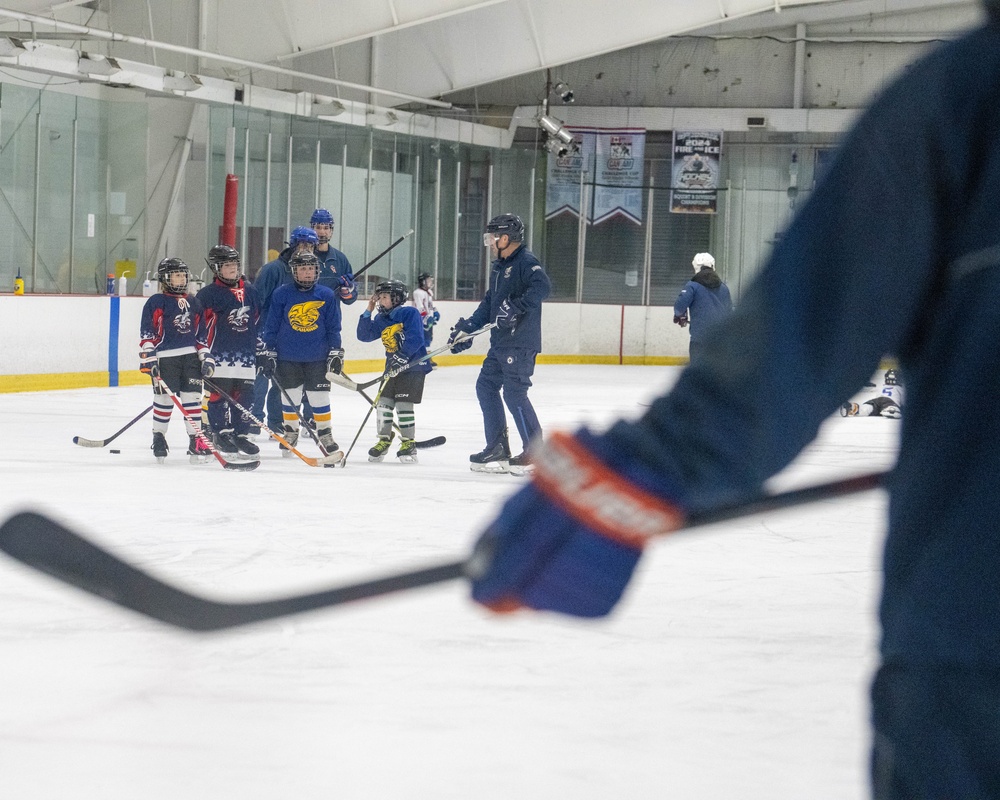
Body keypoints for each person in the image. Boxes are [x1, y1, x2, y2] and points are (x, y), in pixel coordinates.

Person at [466, 7, 1000, 798]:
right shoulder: (961, 104)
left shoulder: (965, 102)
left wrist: (644, 470)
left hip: (972, 639)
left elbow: (802, 334)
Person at [448, 213, 551, 475]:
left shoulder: (526, 262)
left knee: (515, 394)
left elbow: (542, 288)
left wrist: (516, 307)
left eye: (493, 237)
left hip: (520, 342)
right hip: (501, 343)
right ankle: (497, 447)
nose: (490, 243)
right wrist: (468, 329)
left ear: (506, 238)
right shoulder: (499, 267)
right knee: (486, 386)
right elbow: (490, 304)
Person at [259, 251, 343, 457]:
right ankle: (291, 432)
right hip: (287, 357)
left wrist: (335, 351)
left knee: (319, 397)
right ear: (294, 271)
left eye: (311, 268)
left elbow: (333, 327)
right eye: (303, 269)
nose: (307, 273)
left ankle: (325, 434)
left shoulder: (326, 295)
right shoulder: (281, 294)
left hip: (318, 357)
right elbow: (272, 325)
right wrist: (269, 350)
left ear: (317, 270)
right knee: (290, 396)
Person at [138, 257, 213, 463]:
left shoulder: (194, 302)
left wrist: (205, 356)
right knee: (164, 400)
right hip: (165, 359)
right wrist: (150, 356)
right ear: (165, 278)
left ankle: (195, 440)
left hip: (191, 359)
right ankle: (159, 437)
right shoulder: (156, 302)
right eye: (176, 275)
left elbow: (201, 336)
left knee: (192, 399)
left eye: (183, 275)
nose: (181, 279)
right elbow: (147, 333)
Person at [252, 226, 320, 435]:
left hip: (288, 335)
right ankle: (254, 421)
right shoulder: (273, 270)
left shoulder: (307, 271)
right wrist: (256, 333)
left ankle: (277, 422)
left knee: (281, 381)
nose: (306, 248)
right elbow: (257, 302)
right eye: (303, 244)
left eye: (311, 245)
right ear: (293, 244)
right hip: (265, 332)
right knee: (260, 378)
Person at [196, 244, 262, 456]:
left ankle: (240, 434)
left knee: (245, 396)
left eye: (234, 264)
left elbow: (257, 321)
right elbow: (198, 327)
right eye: (227, 265)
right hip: (219, 356)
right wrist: (201, 354)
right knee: (219, 396)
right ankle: (221, 433)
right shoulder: (207, 295)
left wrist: (260, 348)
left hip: (246, 356)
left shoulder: (251, 291)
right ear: (216, 268)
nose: (233, 268)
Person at [356, 279, 431, 463]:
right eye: (379, 297)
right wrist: (368, 310)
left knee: (404, 405)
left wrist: (402, 356)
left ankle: (408, 443)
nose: (380, 300)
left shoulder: (409, 313)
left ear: (396, 298)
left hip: (413, 367)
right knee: (383, 405)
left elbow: (416, 338)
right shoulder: (381, 319)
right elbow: (364, 335)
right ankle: (384, 439)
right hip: (392, 368)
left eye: (384, 297)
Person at [672, 252, 733, 362]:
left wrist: (680, 315)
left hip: (699, 340)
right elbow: (729, 312)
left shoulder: (692, 286)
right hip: (720, 341)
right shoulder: (724, 288)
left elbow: (680, 305)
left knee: (699, 371)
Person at [309, 207, 358, 306]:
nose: (322, 232)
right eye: (318, 227)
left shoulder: (340, 259)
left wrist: (347, 291)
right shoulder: (304, 258)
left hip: (332, 315)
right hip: (308, 313)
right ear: (311, 229)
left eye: (326, 228)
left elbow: (350, 299)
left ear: (331, 230)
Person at [412, 272, 440, 348]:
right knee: (421, 339)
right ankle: (420, 354)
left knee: (428, 339)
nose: (431, 282)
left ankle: (426, 354)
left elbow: (430, 304)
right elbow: (419, 307)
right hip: (420, 320)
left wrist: (435, 311)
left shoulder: (429, 292)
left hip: (428, 320)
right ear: (423, 282)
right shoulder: (418, 293)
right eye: (428, 280)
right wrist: (426, 317)